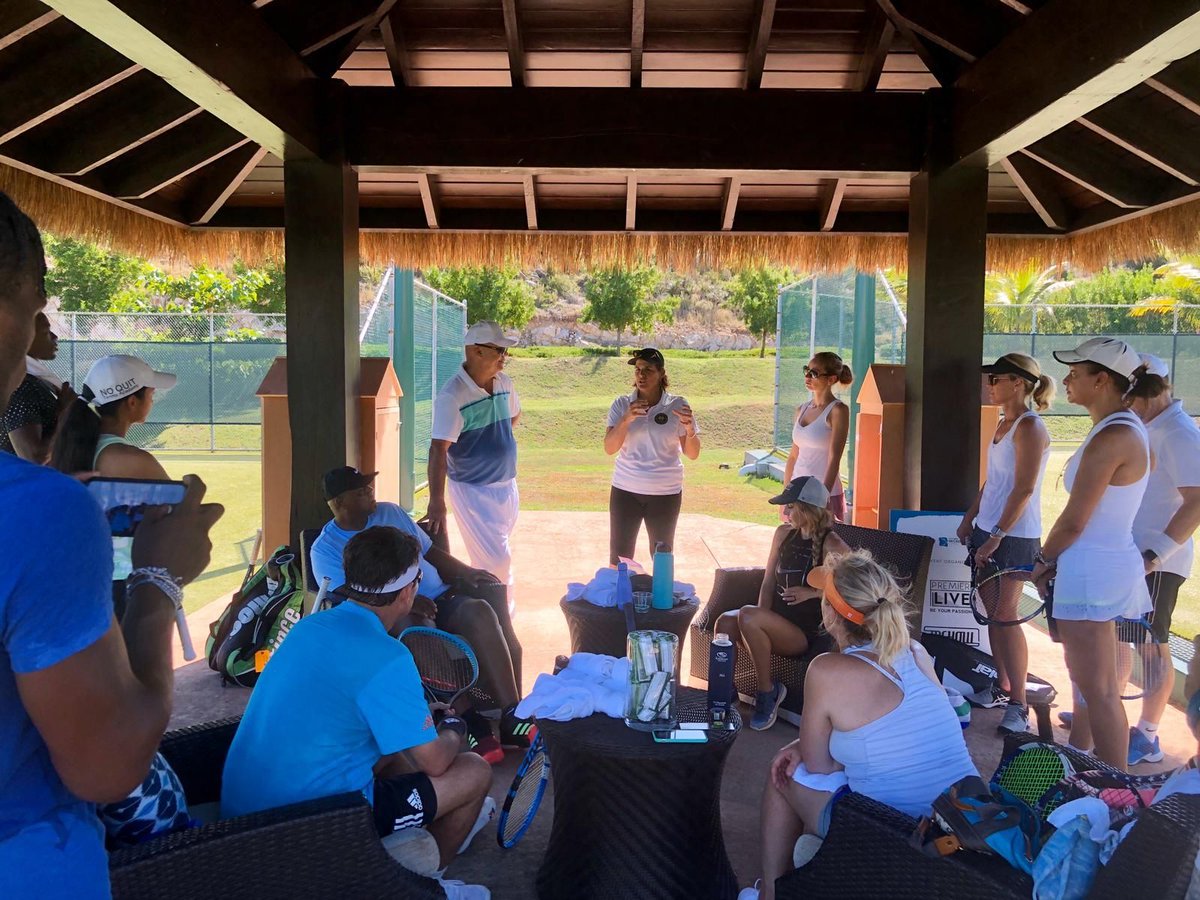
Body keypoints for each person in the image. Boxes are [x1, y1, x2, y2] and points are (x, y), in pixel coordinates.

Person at [0, 190, 222, 898]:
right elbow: (108, 764)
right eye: (37, 303)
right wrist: (160, 582)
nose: (43, 329)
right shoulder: (39, 512)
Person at [222, 527, 492, 900]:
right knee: (475, 770)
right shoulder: (389, 657)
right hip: (315, 826)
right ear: (409, 591)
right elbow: (435, 763)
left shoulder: (309, 627)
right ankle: (429, 888)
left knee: (398, 748)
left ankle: (441, 818)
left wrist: (419, 722)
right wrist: (452, 727)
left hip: (243, 811)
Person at [738, 550, 978, 900]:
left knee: (783, 774)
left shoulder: (827, 670)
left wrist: (799, 749)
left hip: (894, 834)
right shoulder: (915, 652)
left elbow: (818, 764)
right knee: (806, 761)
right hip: (960, 823)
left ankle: (771, 895)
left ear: (832, 615)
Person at [311, 466, 531, 762]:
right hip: (397, 612)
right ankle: (468, 719)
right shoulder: (325, 547)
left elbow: (430, 552)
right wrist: (405, 601)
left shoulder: (391, 512)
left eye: (369, 487)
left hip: (439, 594)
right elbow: (346, 594)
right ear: (339, 503)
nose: (370, 493)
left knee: (479, 610)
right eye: (360, 491)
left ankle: (511, 714)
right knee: (415, 628)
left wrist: (466, 572)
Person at [1065, 353, 1200, 765]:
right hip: (1128, 556)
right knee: (1116, 650)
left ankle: (1148, 733)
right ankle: (1102, 726)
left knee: (1151, 646)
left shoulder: (1178, 432)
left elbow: (1197, 501)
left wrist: (1156, 554)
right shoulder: (1143, 426)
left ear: (1148, 391)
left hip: (1153, 560)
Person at [1032, 338, 1155, 769]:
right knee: (1094, 686)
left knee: (1098, 689)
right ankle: (1097, 771)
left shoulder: (1116, 435)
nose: (1065, 379)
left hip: (1093, 572)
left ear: (1102, 379)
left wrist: (1042, 561)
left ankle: (1114, 786)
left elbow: (1073, 521)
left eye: (1075, 373)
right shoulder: (1118, 427)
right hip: (1098, 568)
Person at [956, 353, 1054, 735]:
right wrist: (970, 519)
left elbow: (1024, 488)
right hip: (989, 530)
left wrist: (996, 536)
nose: (989, 384)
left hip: (1013, 536)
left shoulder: (1030, 427)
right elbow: (994, 482)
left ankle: (1019, 705)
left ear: (1019, 383)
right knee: (994, 615)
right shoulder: (1003, 423)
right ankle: (1003, 687)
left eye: (996, 378)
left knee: (1006, 616)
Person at [715, 475, 849, 731]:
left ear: (807, 509)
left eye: (791, 506)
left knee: (748, 616)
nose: (785, 512)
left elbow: (855, 590)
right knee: (726, 622)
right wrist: (754, 623)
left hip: (803, 633)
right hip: (774, 622)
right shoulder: (783, 534)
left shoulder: (833, 544)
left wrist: (812, 593)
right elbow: (767, 582)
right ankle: (724, 695)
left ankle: (768, 692)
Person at [50, 353, 177, 615]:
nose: (153, 400)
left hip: (71, 581)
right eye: (151, 394)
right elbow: (181, 516)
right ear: (132, 402)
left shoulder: (68, 450)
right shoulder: (133, 460)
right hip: (122, 589)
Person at [426, 321, 521, 610]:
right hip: (473, 491)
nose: (505, 356)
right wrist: (436, 500)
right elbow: (438, 449)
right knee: (495, 560)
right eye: (499, 350)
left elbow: (514, 417)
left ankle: (500, 604)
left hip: (506, 485)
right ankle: (496, 614)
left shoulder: (504, 383)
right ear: (476, 351)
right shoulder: (452, 395)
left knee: (498, 553)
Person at [603, 347, 701, 565]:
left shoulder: (678, 405)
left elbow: (692, 453)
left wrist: (690, 429)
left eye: (648, 369)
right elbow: (609, 448)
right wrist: (626, 419)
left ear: (661, 373)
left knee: (662, 558)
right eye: (638, 370)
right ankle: (620, 599)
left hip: (665, 493)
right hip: (626, 489)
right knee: (619, 559)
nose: (641, 375)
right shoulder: (621, 405)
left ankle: (661, 599)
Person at [782, 351, 852, 520]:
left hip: (823, 494)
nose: (807, 376)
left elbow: (834, 458)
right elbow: (793, 456)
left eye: (814, 373)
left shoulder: (838, 410)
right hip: (796, 493)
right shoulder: (801, 409)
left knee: (825, 545)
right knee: (793, 544)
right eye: (806, 370)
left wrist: (823, 497)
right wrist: (786, 493)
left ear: (831, 379)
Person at [1, 311, 75, 462]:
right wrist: (65, 413)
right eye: (46, 332)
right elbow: (33, 458)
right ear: (22, 338)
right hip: (22, 484)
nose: (55, 337)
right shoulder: (20, 386)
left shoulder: (34, 380)